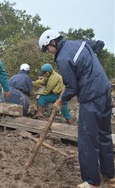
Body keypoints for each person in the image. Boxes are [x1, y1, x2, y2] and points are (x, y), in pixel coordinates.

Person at [39, 29, 114, 188]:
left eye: (48, 49)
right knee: (104, 135)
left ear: (53, 42)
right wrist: (89, 66)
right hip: (105, 91)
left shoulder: (63, 58)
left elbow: (72, 88)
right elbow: (99, 45)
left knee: (87, 140)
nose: (49, 52)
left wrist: (60, 101)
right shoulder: (79, 43)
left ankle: (92, 181)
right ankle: (111, 175)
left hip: (91, 98)